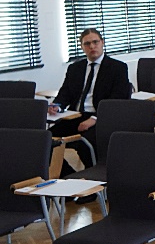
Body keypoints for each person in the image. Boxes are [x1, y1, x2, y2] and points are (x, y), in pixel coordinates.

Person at [50, 28, 131, 173]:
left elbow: (117, 100)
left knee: (85, 145)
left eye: (95, 42)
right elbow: (65, 92)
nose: (92, 47)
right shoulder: (75, 68)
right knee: (46, 140)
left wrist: (95, 118)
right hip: (76, 116)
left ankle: (94, 177)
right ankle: (70, 177)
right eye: (87, 44)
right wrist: (57, 105)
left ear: (102, 43)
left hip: (101, 117)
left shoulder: (117, 68)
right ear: (82, 47)